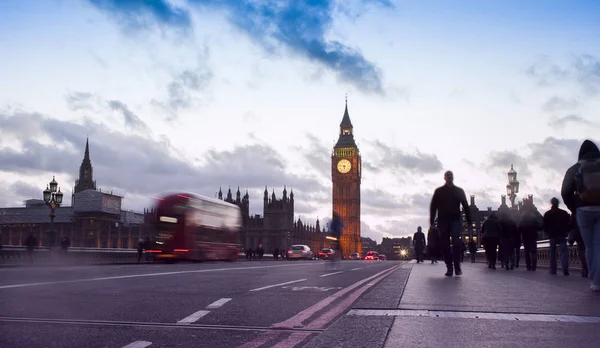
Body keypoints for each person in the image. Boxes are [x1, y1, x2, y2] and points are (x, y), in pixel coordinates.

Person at [561, 139, 600, 292]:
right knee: (599, 245)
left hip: (584, 210)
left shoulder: (575, 169)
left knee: (590, 246)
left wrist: (574, 207)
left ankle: (595, 282)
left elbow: (565, 192)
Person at [429, 170, 472, 276]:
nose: (449, 177)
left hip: (455, 220)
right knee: (445, 245)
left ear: (452, 178)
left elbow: (465, 206)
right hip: (442, 221)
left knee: (456, 242)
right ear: (444, 178)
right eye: (447, 176)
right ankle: (449, 267)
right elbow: (433, 207)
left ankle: (457, 266)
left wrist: (469, 221)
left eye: (451, 176)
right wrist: (431, 222)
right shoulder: (439, 191)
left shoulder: (459, 191)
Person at [543, 198, 571, 275]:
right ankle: (565, 268)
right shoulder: (564, 213)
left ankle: (553, 270)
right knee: (564, 252)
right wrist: (566, 232)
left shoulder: (547, 214)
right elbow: (569, 224)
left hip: (552, 236)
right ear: (558, 204)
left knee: (552, 253)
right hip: (562, 235)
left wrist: (548, 233)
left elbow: (544, 226)